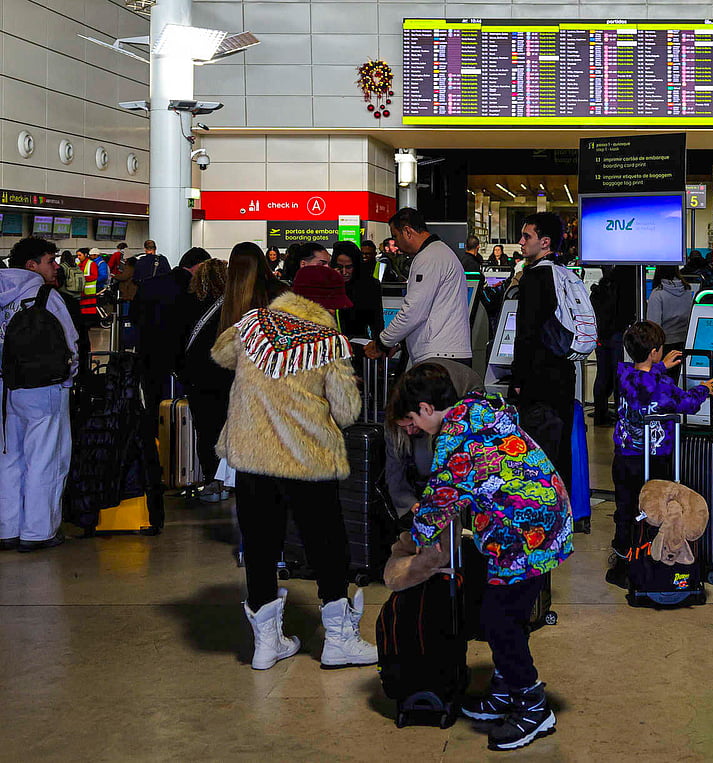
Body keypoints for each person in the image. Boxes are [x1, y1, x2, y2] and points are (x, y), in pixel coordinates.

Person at [386, 362, 573, 751]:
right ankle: (506, 688)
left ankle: (532, 705)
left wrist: (408, 540)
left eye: (409, 423)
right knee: (505, 609)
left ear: (424, 408)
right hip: (539, 518)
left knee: (498, 619)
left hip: (527, 532)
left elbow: (441, 498)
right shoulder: (480, 407)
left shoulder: (456, 439)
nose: (411, 431)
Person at [212, 248, 376, 671]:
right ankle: (338, 640)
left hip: (253, 455)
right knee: (327, 543)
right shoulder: (329, 342)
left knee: (262, 545)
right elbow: (346, 411)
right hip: (308, 458)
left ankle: (267, 644)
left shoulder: (252, 325)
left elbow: (221, 356)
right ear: (327, 305)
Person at [607, 321, 713, 585]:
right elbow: (686, 403)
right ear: (655, 351)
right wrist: (705, 389)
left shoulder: (622, 374)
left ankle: (623, 557)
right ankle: (654, 559)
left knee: (626, 507)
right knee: (656, 508)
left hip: (624, 456)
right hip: (654, 458)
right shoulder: (662, 386)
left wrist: (659, 366)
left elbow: (641, 383)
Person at [0, 237, 80, 551]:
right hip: (45, 387)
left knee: (10, 458)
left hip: (8, 387)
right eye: (50, 260)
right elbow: (68, 342)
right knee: (46, 457)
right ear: (32, 265)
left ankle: (7, 526)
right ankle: (39, 531)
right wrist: (67, 379)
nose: (56, 266)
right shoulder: (44, 294)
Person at [136, 246, 213, 525]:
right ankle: (186, 472)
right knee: (186, 417)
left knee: (154, 413)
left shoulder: (149, 286)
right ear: (199, 266)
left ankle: (159, 469)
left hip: (148, 360)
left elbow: (136, 320)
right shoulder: (192, 290)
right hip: (179, 364)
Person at [511, 212, 574, 488]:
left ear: (545, 242)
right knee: (559, 450)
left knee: (536, 452)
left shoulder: (533, 278)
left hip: (538, 380)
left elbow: (526, 335)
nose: (521, 242)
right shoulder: (564, 274)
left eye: (528, 236)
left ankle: (540, 515)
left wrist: (518, 379)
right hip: (563, 374)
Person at [364, 208, 471, 366]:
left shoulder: (428, 257)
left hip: (440, 357)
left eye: (395, 236)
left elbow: (413, 311)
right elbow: (431, 311)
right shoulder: (439, 252)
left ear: (407, 231)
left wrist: (382, 342)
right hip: (447, 353)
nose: (396, 243)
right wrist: (399, 343)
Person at [382, 358, 483, 517]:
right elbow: (394, 473)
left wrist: (431, 521)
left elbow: (451, 483)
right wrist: (412, 505)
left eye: (413, 423)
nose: (410, 431)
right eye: (404, 427)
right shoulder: (497, 416)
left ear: (425, 409)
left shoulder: (462, 422)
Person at [176, 258, 233, 502]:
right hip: (227, 375)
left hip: (198, 377)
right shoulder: (231, 307)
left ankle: (211, 481)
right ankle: (230, 479)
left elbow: (178, 339)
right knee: (228, 428)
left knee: (206, 429)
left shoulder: (186, 303)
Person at [590, 265, 639, 426]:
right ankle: (620, 414)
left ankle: (600, 413)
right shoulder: (627, 287)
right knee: (619, 376)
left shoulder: (600, 289)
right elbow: (626, 312)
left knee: (602, 375)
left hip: (601, 334)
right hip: (617, 334)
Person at [331, 241, 383, 340]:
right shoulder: (327, 284)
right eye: (340, 267)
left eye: (349, 267)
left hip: (358, 343)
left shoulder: (370, 285)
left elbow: (377, 322)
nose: (344, 272)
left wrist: (377, 346)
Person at [646, 265, 694, 373]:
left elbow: (654, 326)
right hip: (684, 343)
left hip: (665, 347)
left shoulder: (657, 294)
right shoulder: (687, 290)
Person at [75, 247, 99, 324]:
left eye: (79, 255)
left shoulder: (91, 264)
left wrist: (82, 278)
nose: (78, 257)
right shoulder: (78, 265)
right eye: (77, 255)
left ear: (85, 255)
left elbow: (94, 276)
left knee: (89, 311)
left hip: (89, 293)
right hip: (81, 292)